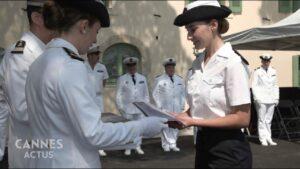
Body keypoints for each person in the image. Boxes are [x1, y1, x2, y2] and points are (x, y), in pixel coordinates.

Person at [25, 0, 167, 168]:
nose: (95, 40)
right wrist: (142, 126)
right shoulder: (70, 66)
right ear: (84, 26)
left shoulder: (39, 62)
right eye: (96, 31)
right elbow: (94, 134)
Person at [173, 0, 252, 168]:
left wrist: (194, 122)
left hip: (228, 150)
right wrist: (183, 117)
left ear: (213, 25)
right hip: (203, 145)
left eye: (193, 29)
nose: (188, 36)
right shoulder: (198, 62)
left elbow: (242, 118)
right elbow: (202, 107)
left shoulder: (232, 62)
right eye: (187, 30)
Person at [0, 0, 57, 167]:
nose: (62, 19)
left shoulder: (48, 51)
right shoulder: (21, 54)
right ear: (37, 18)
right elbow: (22, 110)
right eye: (56, 15)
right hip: (30, 151)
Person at [116, 56, 150, 156]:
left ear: (136, 65)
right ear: (127, 67)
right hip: (127, 109)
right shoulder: (122, 79)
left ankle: (137, 146)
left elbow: (146, 95)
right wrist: (121, 108)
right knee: (129, 129)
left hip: (140, 110)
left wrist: (145, 108)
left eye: (133, 65)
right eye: (129, 66)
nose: (132, 67)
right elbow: (118, 95)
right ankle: (128, 147)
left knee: (139, 129)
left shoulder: (142, 78)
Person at [152, 58, 185, 152]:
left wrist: (182, 105)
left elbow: (183, 93)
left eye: (172, 68)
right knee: (166, 126)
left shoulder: (179, 79)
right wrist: (159, 106)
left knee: (175, 125)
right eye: (169, 68)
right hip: (165, 107)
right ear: (165, 69)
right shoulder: (159, 79)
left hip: (177, 107)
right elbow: (155, 93)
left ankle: (173, 143)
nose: (171, 69)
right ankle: (165, 144)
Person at [85, 44, 109, 156]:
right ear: (89, 55)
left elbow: (104, 81)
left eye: (98, 54)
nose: (98, 56)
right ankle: (88, 146)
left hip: (98, 98)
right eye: (95, 54)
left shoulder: (102, 67)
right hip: (86, 98)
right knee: (87, 121)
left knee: (99, 121)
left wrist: (98, 90)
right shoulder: (82, 66)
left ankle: (100, 147)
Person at [252, 54, 279, 146]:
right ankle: (262, 138)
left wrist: (276, 97)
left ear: (269, 61)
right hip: (261, 99)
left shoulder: (273, 71)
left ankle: (269, 138)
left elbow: (275, 85)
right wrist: (256, 98)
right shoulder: (257, 71)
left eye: (268, 61)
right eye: (264, 61)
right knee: (261, 119)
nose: (266, 62)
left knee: (269, 120)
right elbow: (254, 86)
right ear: (262, 61)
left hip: (271, 98)